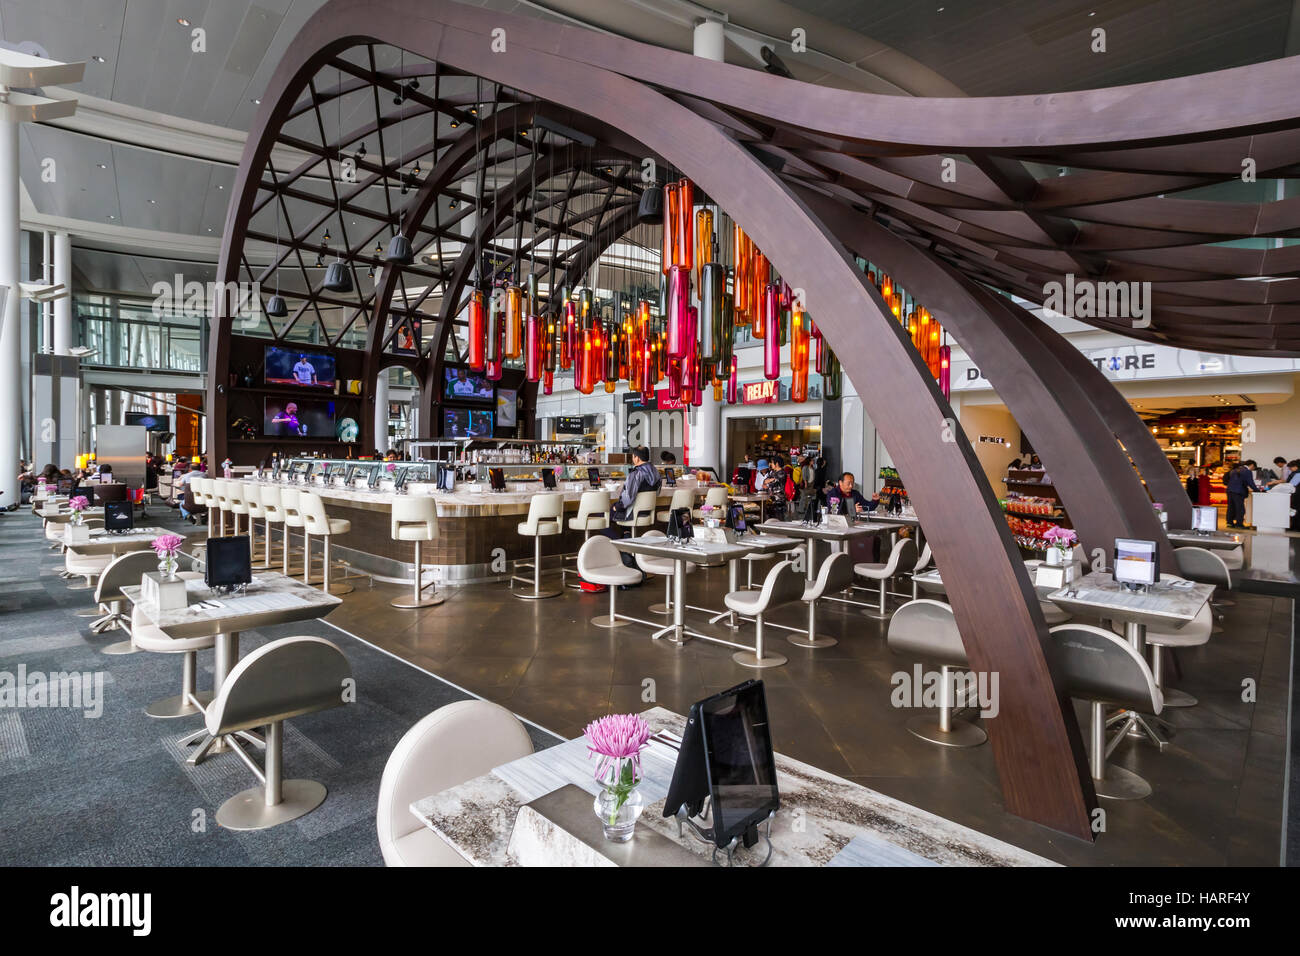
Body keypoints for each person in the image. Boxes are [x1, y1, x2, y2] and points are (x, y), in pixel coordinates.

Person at [601, 446, 661, 583]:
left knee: (602, 518)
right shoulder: (656, 473)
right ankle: (627, 540)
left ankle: (623, 548)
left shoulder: (636, 474)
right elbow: (657, 493)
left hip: (632, 513)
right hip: (646, 513)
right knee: (621, 522)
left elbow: (628, 498)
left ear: (637, 458)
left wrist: (618, 506)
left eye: (633, 456)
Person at [1224, 461, 1258, 528]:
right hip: (1238, 492)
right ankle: (1239, 524)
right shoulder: (1247, 471)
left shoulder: (1234, 470)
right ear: (1252, 465)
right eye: (1253, 468)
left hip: (1229, 490)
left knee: (1231, 507)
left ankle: (1229, 523)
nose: (1252, 469)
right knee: (1240, 509)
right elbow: (1250, 482)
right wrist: (1257, 490)